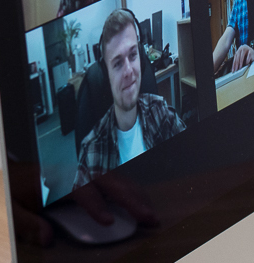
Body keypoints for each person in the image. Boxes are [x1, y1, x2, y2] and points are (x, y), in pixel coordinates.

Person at [74, 10, 184, 186]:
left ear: (141, 57)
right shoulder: (92, 152)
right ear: (106, 73)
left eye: (133, 55)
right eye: (117, 63)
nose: (128, 71)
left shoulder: (161, 113)